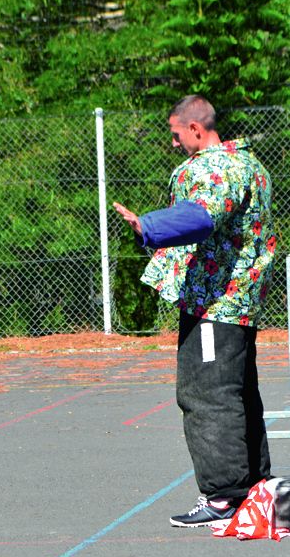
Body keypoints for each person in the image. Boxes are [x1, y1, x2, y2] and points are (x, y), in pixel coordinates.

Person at [113, 95, 276, 528]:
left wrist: (148, 227)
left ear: (196, 130)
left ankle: (223, 496)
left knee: (207, 396)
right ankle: (256, 485)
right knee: (239, 392)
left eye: (176, 134)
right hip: (239, 300)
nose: (174, 143)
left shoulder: (214, 168)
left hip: (215, 301)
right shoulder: (252, 165)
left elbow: (203, 215)